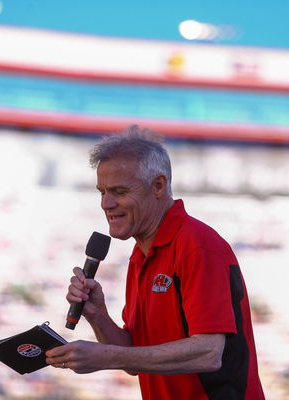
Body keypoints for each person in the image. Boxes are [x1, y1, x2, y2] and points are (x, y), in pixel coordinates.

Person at [46, 125, 265, 400]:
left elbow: (209, 352)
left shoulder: (197, 245)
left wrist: (106, 357)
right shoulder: (140, 255)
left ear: (158, 186)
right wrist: (98, 314)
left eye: (119, 191)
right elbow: (135, 357)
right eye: (101, 191)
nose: (106, 203)